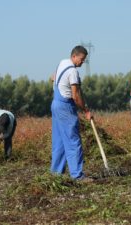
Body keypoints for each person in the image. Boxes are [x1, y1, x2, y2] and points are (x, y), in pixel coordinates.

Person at [51, 45, 92, 181]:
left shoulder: (62, 63)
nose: (82, 62)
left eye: (84, 60)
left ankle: (56, 174)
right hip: (65, 107)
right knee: (73, 141)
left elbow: (52, 77)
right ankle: (78, 175)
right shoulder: (73, 72)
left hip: (55, 104)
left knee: (60, 141)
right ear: (74, 56)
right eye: (81, 59)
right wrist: (86, 111)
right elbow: (76, 96)